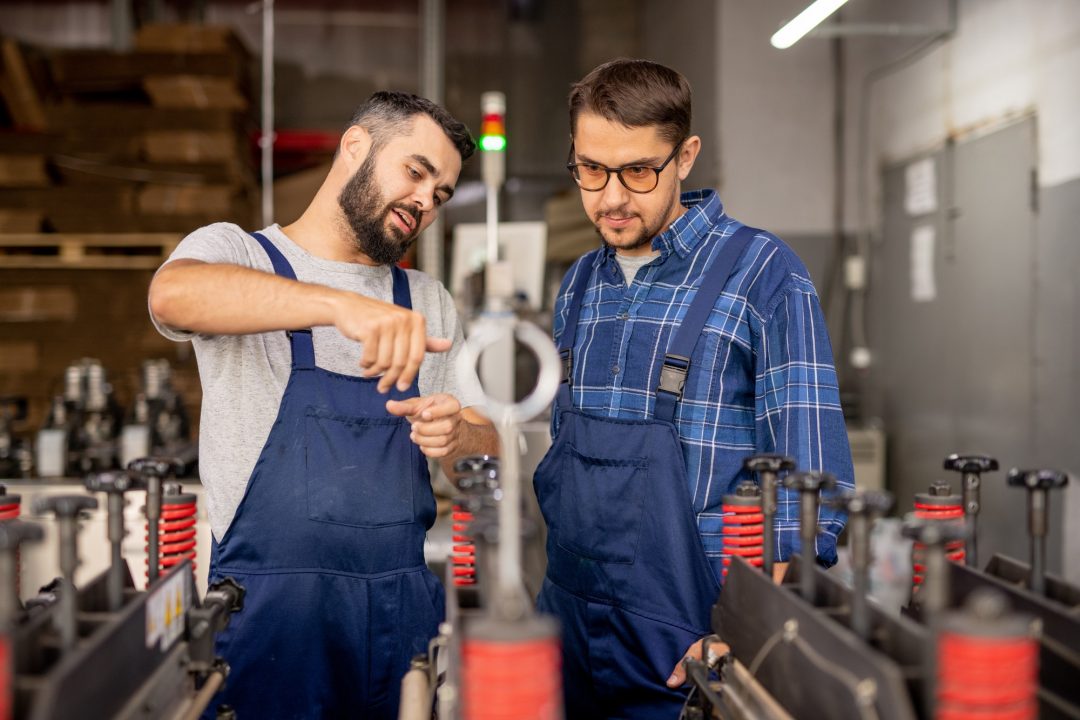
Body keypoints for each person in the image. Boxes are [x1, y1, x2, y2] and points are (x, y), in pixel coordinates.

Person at [148, 91, 499, 719]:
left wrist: (461, 439)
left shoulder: (428, 299)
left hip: (399, 619)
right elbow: (172, 295)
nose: (426, 201)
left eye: (440, 194)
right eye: (416, 172)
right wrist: (339, 305)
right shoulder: (241, 253)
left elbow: (484, 450)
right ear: (356, 146)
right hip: (273, 622)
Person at [532, 59, 855, 717]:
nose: (611, 198)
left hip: (691, 653)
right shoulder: (579, 285)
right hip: (567, 635)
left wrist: (743, 636)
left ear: (685, 156)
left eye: (638, 172)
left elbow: (813, 493)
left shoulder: (763, 276)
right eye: (591, 169)